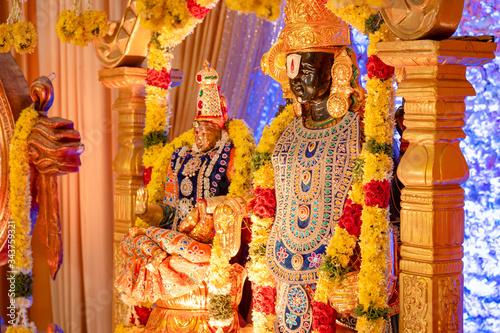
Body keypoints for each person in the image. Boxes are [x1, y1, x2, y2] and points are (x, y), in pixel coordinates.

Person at [264, 0, 366, 331]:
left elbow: (385, 214)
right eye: (292, 72)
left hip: (341, 285)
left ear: (336, 68)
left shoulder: (363, 130)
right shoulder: (285, 131)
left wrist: (366, 278)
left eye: (305, 73)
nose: (296, 84)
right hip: (285, 275)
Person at [115, 63, 240, 303]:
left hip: (202, 242)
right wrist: (145, 210)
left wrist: (209, 207)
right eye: (197, 131)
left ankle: (162, 261)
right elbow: (169, 211)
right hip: (172, 237)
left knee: (180, 249)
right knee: (131, 240)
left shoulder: (230, 155)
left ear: (218, 130)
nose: (200, 135)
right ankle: (160, 261)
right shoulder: (180, 158)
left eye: (206, 130)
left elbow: (242, 197)